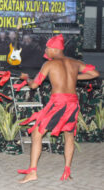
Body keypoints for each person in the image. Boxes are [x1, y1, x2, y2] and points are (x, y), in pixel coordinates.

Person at [17, 34, 99, 183]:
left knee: (37, 133)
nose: (46, 51)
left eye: (47, 48)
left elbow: (34, 85)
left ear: (54, 49)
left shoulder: (49, 64)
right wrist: (74, 77)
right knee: (69, 135)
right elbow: (95, 73)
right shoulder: (75, 63)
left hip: (58, 103)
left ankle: (33, 172)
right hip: (73, 103)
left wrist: (26, 79)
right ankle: (67, 171)